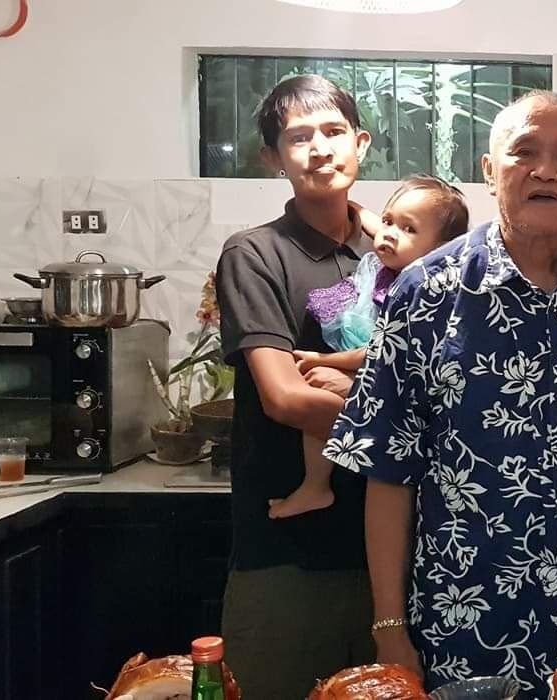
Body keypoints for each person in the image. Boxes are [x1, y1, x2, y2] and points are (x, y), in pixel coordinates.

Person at [324, 90, 557, 696]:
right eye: (524, 152)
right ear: (491, 172)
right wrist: (389, 626)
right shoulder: (425, 293)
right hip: (475, 629)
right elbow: (387, 472)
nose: (545, 170)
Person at [214, 74, 375, 699]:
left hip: (395, 552)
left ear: (359, 143)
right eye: (297, 137)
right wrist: (408, 424)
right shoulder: (255, 254)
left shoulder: (394, 251)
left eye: (333, 132)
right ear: (272, 158)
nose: (319, 148)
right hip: (285, 557)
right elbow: (284, 399)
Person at [269, 174, 470, 519]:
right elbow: (386, 228)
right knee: (318, 393)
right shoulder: (395, 263)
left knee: (319, 384)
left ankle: (316, 486)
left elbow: (379, 352)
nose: (389, 232)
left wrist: (326, 359)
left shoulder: (423, 291)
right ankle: (316, 485)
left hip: (404, 388)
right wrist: (357, 209)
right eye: (389, 220)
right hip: (380, 370)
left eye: (408, 229)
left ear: (440, 250)